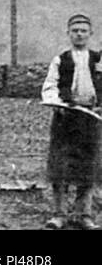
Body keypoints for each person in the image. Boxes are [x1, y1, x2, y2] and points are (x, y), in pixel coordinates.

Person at [41, 13, 102, 230]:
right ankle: (59, 214)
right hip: (65, 119)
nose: (79, 34)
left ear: (90, 34)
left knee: (89, 166)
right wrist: (59, 104)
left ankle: (84, 214)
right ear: (68, 33)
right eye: (75, 31)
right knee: (61, 166)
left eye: (83, 31)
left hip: (91, 118)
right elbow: (49, 87)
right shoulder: (61, 60)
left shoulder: (98, 59)